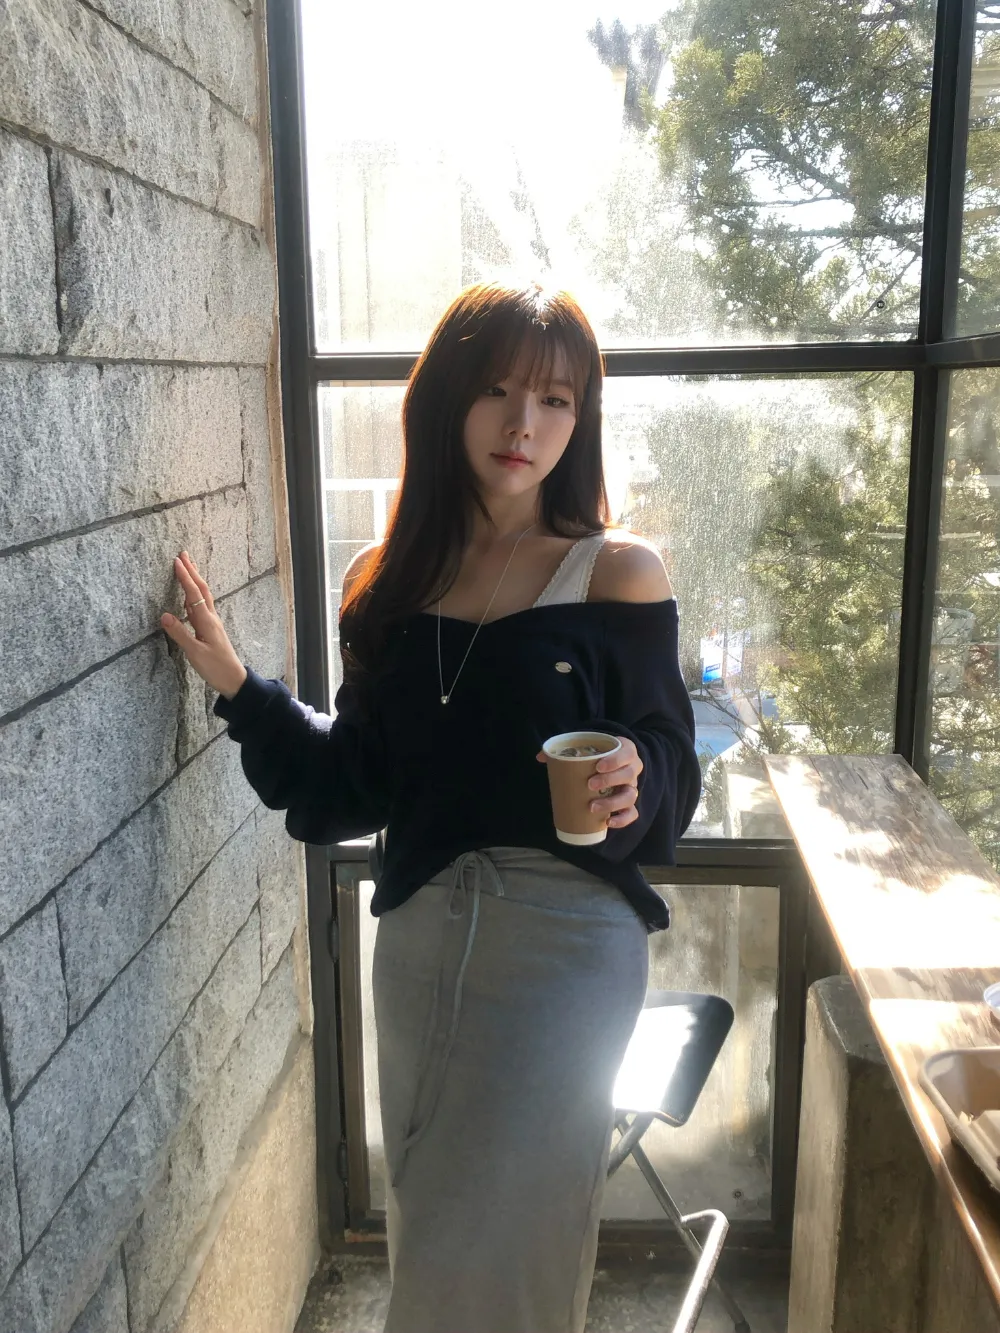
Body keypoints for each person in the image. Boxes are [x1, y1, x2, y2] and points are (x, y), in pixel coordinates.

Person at [160, 280, 701, 1333]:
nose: (523, 423)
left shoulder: (616, 575)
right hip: (419, 938)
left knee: (515, 1238)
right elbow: (349, 783)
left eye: (555, 400)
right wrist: (239, 686)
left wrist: (636, 774)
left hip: (566, 949)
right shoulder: (386, 582)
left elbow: (673, 773)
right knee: (430, 1214)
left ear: (580, 419)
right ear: (447, 396)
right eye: (497, 390)